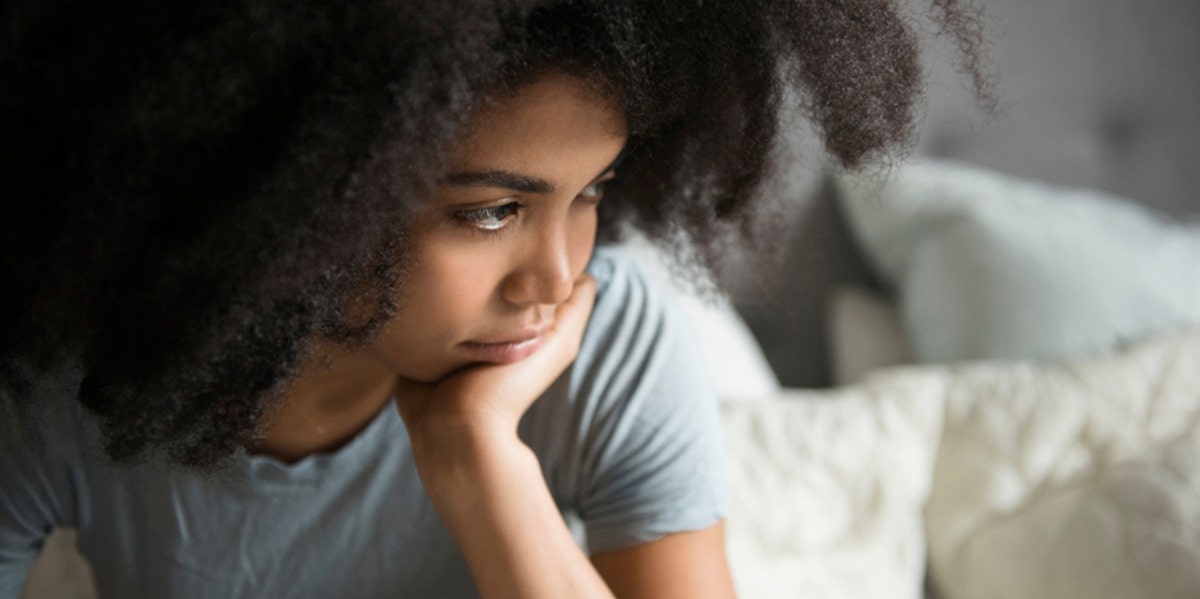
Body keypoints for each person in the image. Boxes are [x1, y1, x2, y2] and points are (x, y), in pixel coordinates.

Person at [0, 1, 987, 597]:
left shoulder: (612, 332)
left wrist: (479, 463)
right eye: (489, 211)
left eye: (590, 194)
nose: (555, 277)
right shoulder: (68, 382)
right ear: (298, 192)